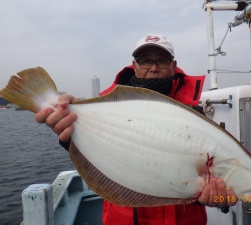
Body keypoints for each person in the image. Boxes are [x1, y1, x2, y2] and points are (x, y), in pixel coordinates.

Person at [35, 34, 237, 225]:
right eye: (146, 60)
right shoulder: (108, 106)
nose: (154, 68)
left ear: (173, 66)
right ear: (134, 65)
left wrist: (219, 198)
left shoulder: (194, 113)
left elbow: (209, 186)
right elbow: (98, 151)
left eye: (162, 60)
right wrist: (68, 130)